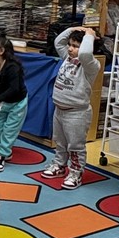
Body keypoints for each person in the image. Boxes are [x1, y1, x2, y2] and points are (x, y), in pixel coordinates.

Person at [42, 26, 101, 189]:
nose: (70, 48)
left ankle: (76, 173)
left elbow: (84, 54)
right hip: (59, 110)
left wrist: (89, 35)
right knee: (60, 142)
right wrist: (72, 29)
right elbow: (57, 42)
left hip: (77, 113)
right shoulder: (68, 58)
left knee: (75, 146)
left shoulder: (91, 65)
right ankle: (59, 165)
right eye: (70, 44)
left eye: (75, 46)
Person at [0, 29, 28, 173]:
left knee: (10, 130)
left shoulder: (12, 68)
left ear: (1, 50)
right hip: (4, 102)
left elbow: (14, 89)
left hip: (17, 103)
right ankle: (5, 151)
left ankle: (1, 155)